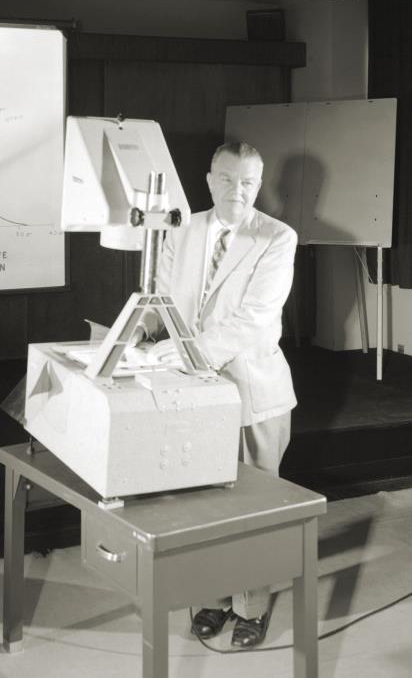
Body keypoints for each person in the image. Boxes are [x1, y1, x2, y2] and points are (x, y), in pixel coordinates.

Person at [138, 141, 298, 649]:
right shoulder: (183, 229)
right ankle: (211, 597)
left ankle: (252, 607)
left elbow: (255, 319)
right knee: (202, 502)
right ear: (209, 181)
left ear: (260, 183)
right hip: (196, 392)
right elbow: (163, 299)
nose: (238, 191)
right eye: (228, 180)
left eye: (248, 182)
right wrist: (139, 326)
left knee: (254, 508)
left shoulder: (277, 237)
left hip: (252, 391)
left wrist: (191, 353)